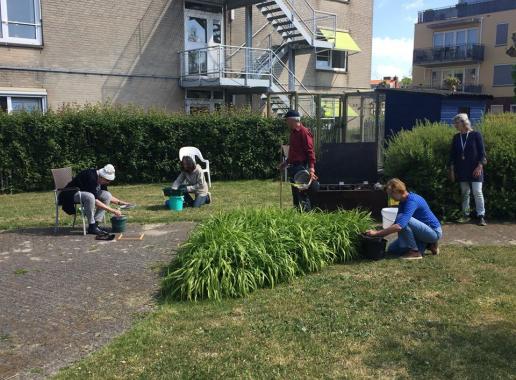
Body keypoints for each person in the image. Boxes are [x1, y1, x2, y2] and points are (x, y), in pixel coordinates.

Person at [366, 178, 442, 260]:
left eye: (391, 194)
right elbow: (396, 223)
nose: (390, 197)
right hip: (421, 232)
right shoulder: (403, 202)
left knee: (402, 219)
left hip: (433, 232)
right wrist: (379, 235)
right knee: (392, 249)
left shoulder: (412, 201)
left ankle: (415, 252)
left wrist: (377, 233)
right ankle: (428, 245)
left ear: (398, 191)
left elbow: (399, 226)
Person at [58, 164, 132, 235]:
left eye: (109, 181)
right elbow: (95, 200)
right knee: (90, 197)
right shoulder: (91, 177)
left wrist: (121, 202)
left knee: (107, 195)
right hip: (70, 194)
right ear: (101, 176)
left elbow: (107, 197)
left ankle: (96, 224)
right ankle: (92, 226)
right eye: (107, 180)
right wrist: (112, 210)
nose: (108, 183)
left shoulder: (101, 180)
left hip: (83, 193)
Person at [449, 113, 487, 226]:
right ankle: (465, 215)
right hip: (461, 169)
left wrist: (480, 166)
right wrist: (451, 170)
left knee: (477, 192)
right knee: (465, 193)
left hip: (476, 169)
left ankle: (481, 216)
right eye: (455, 123)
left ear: (464, 122)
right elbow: (452, 155)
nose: (455, 125)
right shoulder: (456, 137)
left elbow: (482, 153)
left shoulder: (476, 135)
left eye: (457, 122)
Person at [279, 110, 317, 211]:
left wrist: (312, 168)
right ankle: (297, 214)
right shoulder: (293, 133)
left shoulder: (304, 132)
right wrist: (286, 162)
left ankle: (306, 215)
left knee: (302, 193)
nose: (286, 122)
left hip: (301, 167)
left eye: (287, 120)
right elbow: (294, 151)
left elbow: (310, 151)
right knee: (295, 194)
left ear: (292, 120)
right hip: (293, 166)